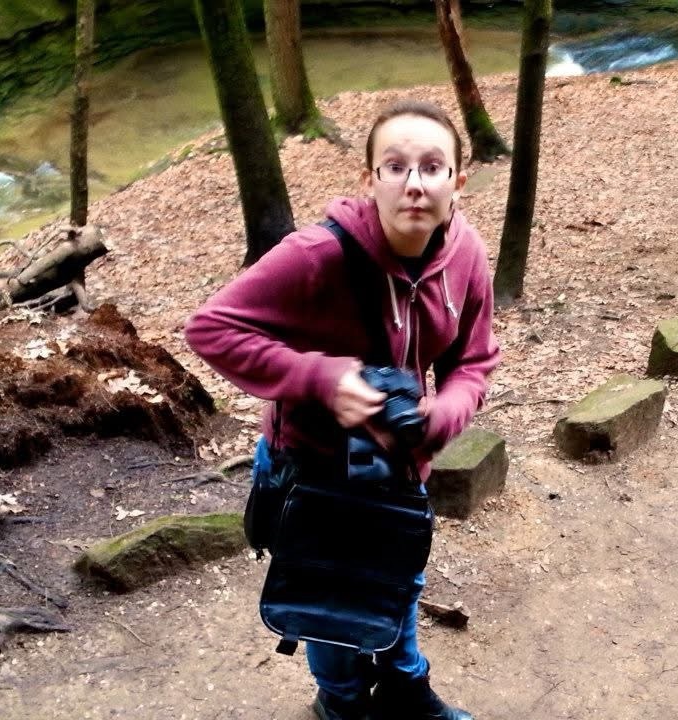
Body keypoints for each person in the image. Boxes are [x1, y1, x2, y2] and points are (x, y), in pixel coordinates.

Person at [185, 100, 500, 720]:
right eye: (396, 166)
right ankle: (343, 705)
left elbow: (473, 360)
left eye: (432, 167)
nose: (414, 182)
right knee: (329, 607)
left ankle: (408, 690)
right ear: (370, 180)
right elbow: (211, 329)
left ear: (457, 184)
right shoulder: (316, 255)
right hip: (310, 465)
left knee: (397, 585)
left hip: (397, 466)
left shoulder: (466, 256)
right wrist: (321, 377)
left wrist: (447, 412)